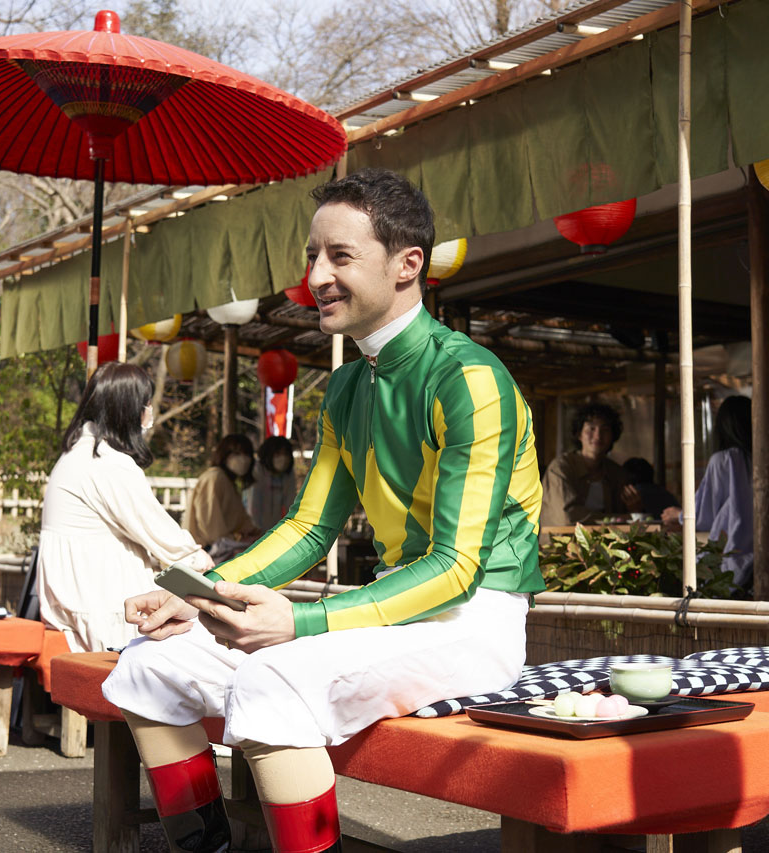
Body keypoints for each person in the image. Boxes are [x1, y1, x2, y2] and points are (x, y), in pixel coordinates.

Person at [102, 168, 543, 853]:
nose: (316, 277)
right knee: (147, 664)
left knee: (272, 676)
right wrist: (199, 593)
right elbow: (310, 528)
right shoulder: (345, 387)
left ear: (408, 264)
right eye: (313, 256)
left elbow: (458, 568)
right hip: (392, 613)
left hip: (474, 621)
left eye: (340, 256)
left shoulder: (469, 378)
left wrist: (299, 621)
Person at [37, 362, 213, 653]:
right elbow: (163, 537)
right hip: (107, 610)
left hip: (76, 604)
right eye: (146, 404)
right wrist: (203, 563)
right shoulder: (107, 463)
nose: (149, 412)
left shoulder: (76, 454)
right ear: (129, 410)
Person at [661, 395, 754, 590]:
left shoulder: (724, 460)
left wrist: (679, 515)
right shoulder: (764, 458)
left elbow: (704, 516)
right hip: (761, 556)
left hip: (732, 559)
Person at [539, 402, 641, 533]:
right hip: (561, 544)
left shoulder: (616, 473)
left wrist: (635, 509)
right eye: (591, 429)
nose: (598, 436)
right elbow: (568, 517)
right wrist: (618, 519)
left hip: (605, 545)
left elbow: (630, 519)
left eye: (605, 429)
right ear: (579, 434)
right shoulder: (560, 468)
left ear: (613, 435)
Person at [184, 433, 259, 561]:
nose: (243, 459)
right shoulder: (215, 478)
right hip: (206, 553)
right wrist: (236, 539)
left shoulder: (229, 482)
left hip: (218, 550)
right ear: (224, 455)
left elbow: (243, 523)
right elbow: (211, 527)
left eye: (247, 454)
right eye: (236, 453)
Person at [248, 435, 298, 530]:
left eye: (286, 454)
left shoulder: (288, 474)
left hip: (274, 528)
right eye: (278, 454)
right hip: (253, 529)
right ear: (269, 454)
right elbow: (253, 505)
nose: (283, 458)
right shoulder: (257, 470)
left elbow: (291, 503)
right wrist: (255, 530)